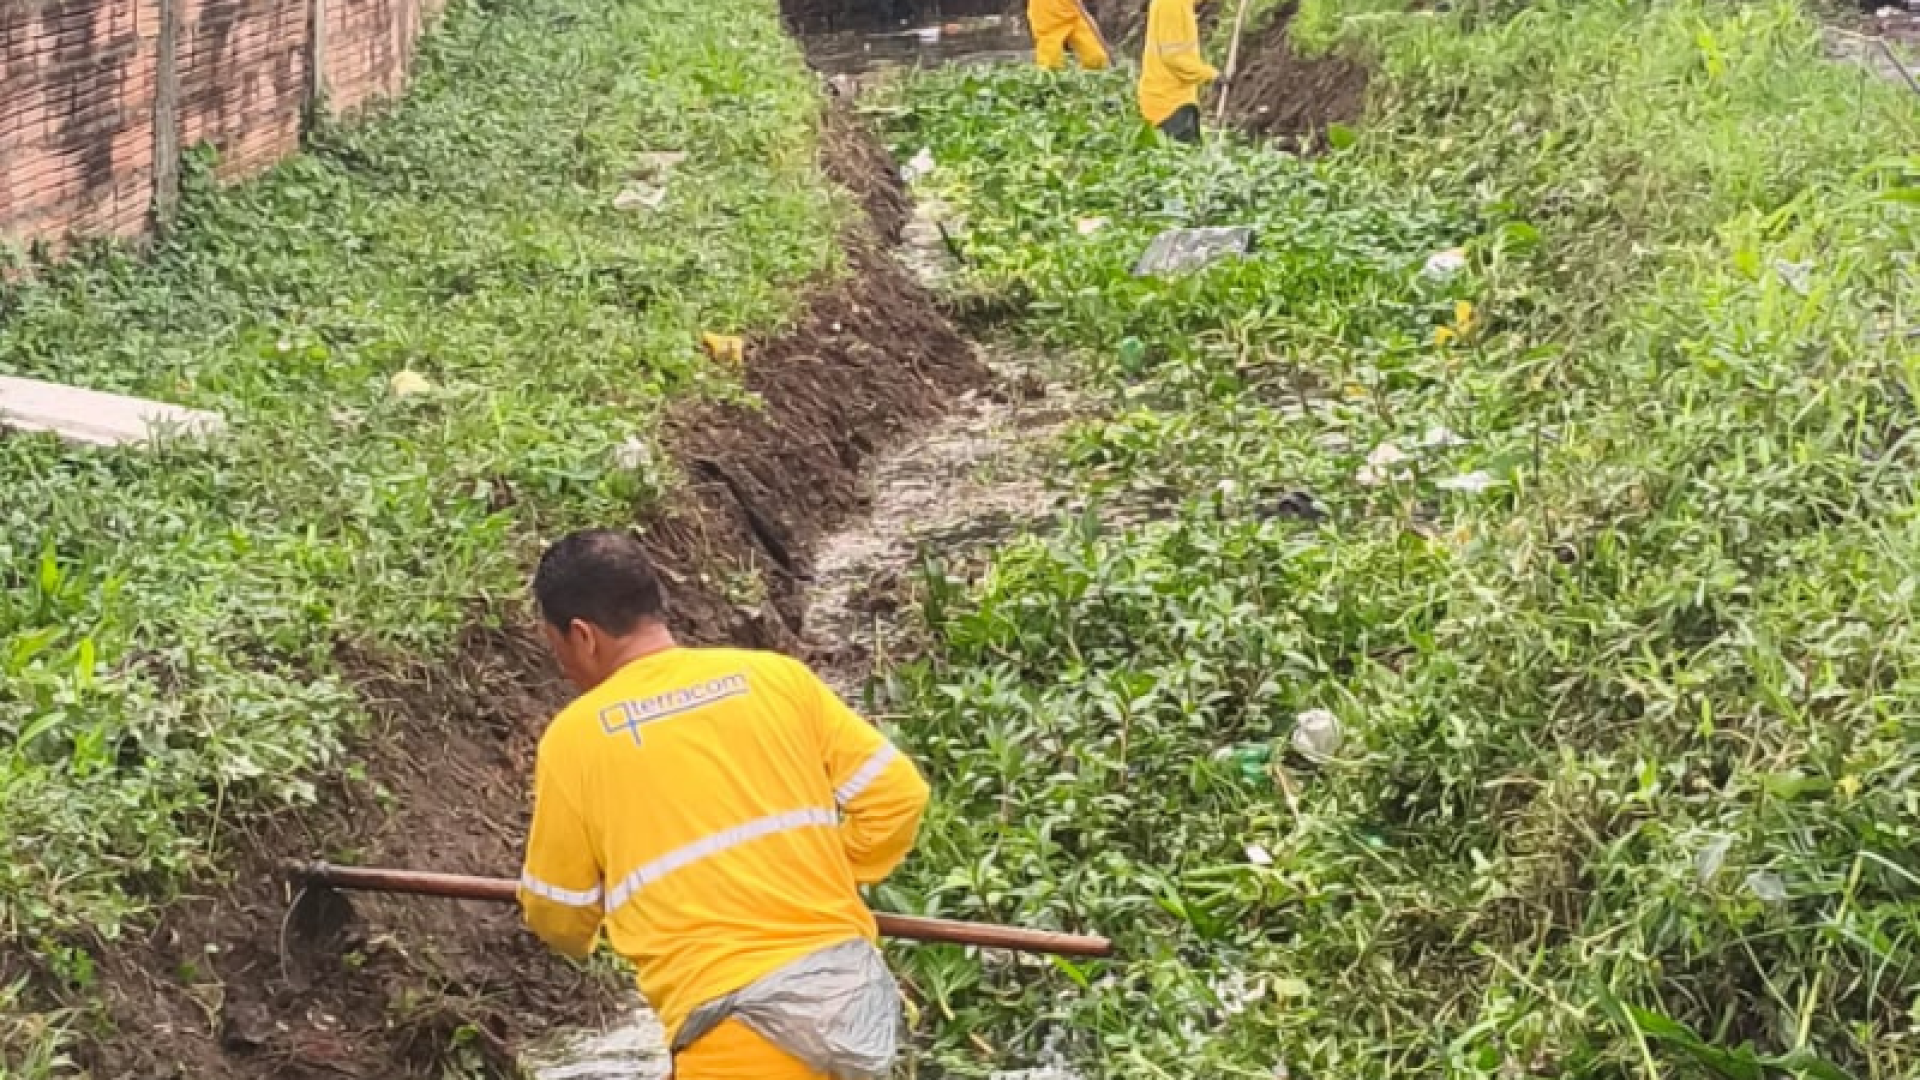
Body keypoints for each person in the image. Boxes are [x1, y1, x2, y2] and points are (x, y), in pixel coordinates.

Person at [517, 529, 930, 1080]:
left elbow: (558, 913)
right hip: (850, 1006)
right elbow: (897, 797)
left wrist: (606, 920)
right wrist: (812, 875)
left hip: (739, 1035)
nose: (563, 665)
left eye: (556, 647)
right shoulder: (776, 679)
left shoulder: (575, 742)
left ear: (583, 636)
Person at [1138, 0, 1219, 143]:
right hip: (1169, 106)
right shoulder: (1172, 5)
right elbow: (1174, 58)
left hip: (1175, 100)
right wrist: (1211, 75)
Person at [1028, 0, 1110, 71]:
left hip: (1072, 14)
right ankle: (1053, 87)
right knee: (1050, 65)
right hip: (1047, 19)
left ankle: (1091, 85)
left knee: (1096, 57)